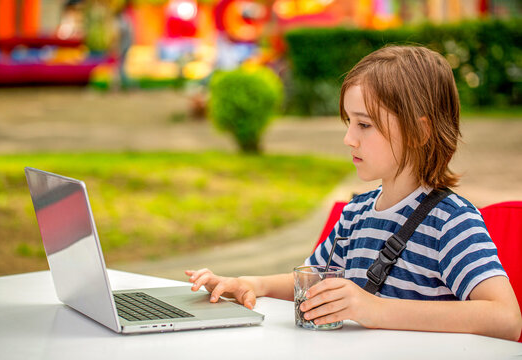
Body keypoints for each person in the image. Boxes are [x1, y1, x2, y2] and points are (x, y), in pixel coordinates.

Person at [185, 45, 522, 341]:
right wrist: (252, 284)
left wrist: (375, 309)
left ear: (419, 132)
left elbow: (505, 318)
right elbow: (312, 282)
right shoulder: (357, 213)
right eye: (348, 122)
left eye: (364, 124)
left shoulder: (451, 221)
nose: (348, 138)